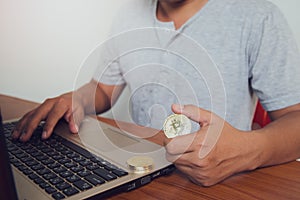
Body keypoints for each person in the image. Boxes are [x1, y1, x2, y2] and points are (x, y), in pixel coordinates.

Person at [12, 0, 300, 186]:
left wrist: (248, 151)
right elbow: (103, 89)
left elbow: (295, 118)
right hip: (136, 176)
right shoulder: (127, 14)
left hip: (221, 185)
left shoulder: (258, 16)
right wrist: (75, 100)